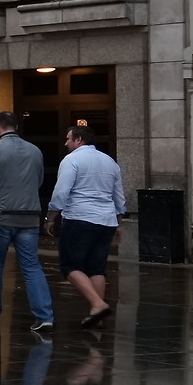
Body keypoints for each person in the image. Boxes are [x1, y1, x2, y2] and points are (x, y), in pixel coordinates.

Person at [45, 124, 125, 327]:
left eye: (68, 139)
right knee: (96, 267)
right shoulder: (110, 162)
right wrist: (118, 223)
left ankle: (98, 304)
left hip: (79, 218)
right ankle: (96, 315)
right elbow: (118, 196)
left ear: (78, 140)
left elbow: (61, 192)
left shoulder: (72, 160)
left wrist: (51, 217)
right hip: (106, 220)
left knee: (69, 266)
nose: (66, 143)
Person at [0, 111, 54, 335]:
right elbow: (39, 180)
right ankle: (44, 316)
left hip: (0, 214)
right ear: (16, 126)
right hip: (29, 215)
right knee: (31, 265)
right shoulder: (35, 150)